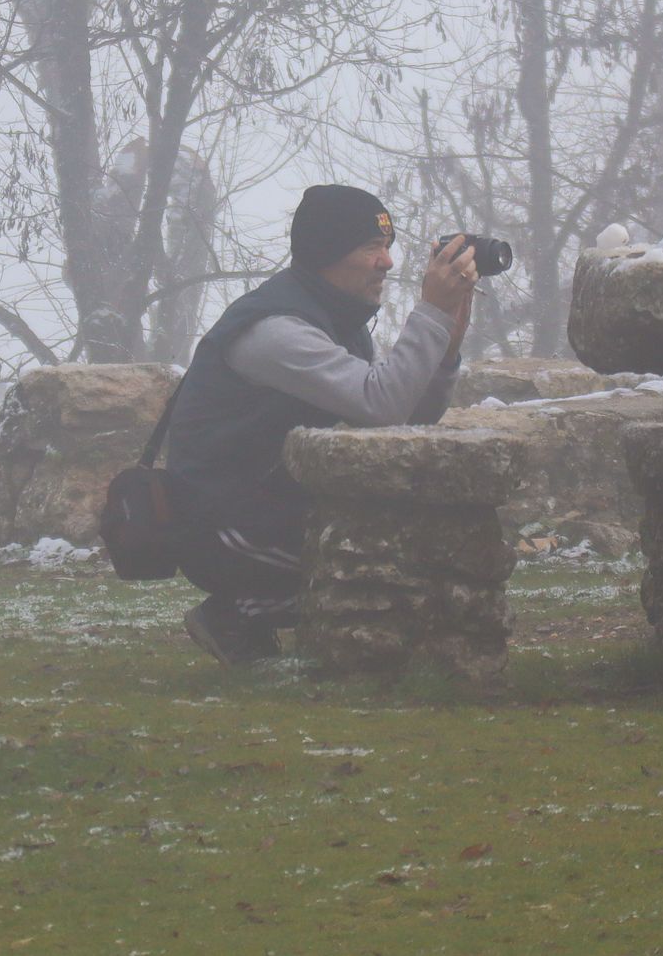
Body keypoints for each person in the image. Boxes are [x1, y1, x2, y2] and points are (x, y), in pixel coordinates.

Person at [163, 184, 479, 665]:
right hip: (221, 526)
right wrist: (431, 312)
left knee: (415, 549)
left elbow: (403, 421)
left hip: (269, 509)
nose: (388, 263)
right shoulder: (276, 330)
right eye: (372, 248)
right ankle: (239, 612)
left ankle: (249, 613)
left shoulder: (337, 321)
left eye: (388, 248)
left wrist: (447, 344)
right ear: (326, 254)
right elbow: (382, 406)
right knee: (385, 571)